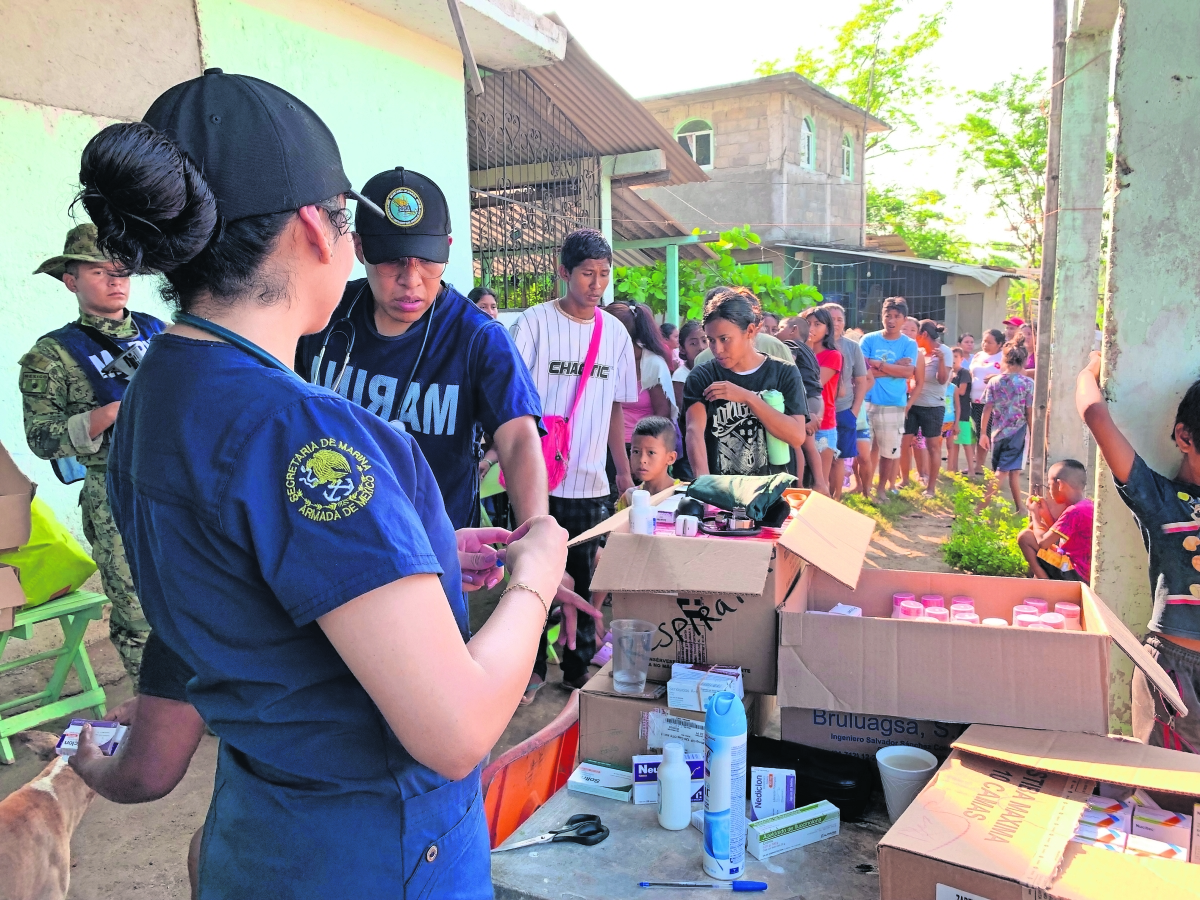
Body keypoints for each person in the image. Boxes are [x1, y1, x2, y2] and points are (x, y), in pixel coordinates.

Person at [83, 69, 584, 897]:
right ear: (320, 229)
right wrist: (536, 576)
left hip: (264, 827)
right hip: (373, 848)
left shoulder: (158, 392)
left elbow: (241, 572)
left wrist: (415, 550)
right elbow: (456, 728)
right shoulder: (299, 427)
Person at [297, 168, 544, 531]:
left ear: (447, 247)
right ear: (361, 248)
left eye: (427, 261)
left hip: (437, 556)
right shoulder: (324, 315)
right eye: (393, 260)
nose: (411, 281)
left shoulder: (478, 338)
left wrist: (536, 532)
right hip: (334, 541)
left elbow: (519, 438)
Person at [19, 223, 167, 684]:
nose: (116, 280)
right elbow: (41, 439)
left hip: (177, 484)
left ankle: (208, 698)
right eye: (101, 271)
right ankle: (153, 713)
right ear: (71, 280)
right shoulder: (53, 355)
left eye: (123, 271)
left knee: (196, 596)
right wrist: (106, 415)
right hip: (115, 492)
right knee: (137, 610)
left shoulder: (160, 331)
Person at [511, 229, 637, 697]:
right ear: (564, 272)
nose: (596, 284)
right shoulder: (533, 324)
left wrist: (621, 470)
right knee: (532, 577)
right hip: (537, 481)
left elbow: (616, 407)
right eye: (587, 273)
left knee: (588, 580)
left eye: (604, 274)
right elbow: (513, 399)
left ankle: (578, 666)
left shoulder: (616, 334)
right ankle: (530, 669)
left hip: (591, 481)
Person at [1078, 353, 1200, 752]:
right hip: (1172, 673)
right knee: (1165, 800)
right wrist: (1092, 366)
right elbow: (1096, 413)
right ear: (1185, 438)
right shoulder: (1161, 498)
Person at [684, 288, 807, 477]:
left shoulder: (784, 373)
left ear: (749, 331)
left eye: (725, 339)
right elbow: (694, 432)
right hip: (722, 493)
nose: (717, 349)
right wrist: (706, 486)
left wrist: (748, 398)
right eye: (711, 340)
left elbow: (797, 436)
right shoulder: (702, 376)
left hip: (772, 492)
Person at [859, 297, 918, 502]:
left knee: (889, 451)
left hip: (893, 403)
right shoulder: (868, 340)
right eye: (888, 316)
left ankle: (881, 489)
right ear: (881, 316)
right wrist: (894, 367)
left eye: (896, 316)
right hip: (866, 400)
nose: (891, 320)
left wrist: (879, 365)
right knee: (864, 449)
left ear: (903, 319)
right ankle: (864, 488)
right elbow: (862, 370)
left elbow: (908, 372)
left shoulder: (909, 344)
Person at [608, 300, 676, 447]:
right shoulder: (604, 360)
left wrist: (643, 450)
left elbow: (662, 413)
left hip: (638, 447)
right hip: (603, 445)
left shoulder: (653, 365)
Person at [979, 334, 1034, 513]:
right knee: (1002, 472)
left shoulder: (995, 381)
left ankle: (1020, 507)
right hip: (1017, 432)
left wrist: (983, 433)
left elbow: (986, 408)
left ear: (1004, 359)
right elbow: (1029, 412)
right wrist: (1033, 435)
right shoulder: (1027, 383)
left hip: (997, 433)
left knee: (1012, 471)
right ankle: (980, 508)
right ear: (1024, 361)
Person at [820, 302, 868, 501]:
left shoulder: (852, 347)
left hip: (843, 411)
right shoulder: (814, 344)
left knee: (838, 458)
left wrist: (854, 412)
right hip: (819, 412)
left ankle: (837, 498)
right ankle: (822, 498)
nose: (836, 323)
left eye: (840, 319)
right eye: (831, 319)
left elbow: (861, 381)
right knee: (822, 458)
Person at [1019, 459, 1093, 582]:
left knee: (1025, 537)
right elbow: (1059, 534)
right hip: (1082, 572)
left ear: (1060, 485)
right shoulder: (1086, 505)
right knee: (1034, 527)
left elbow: (1043, 542)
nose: (1049, 491)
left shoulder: (1073, 511)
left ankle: (1046, 584)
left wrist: (1035, 515)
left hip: (1072, 571)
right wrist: (1045, 514)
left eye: (1049, 486)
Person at [902, 320, 952, 498]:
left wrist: (941, 361)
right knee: (904, 442)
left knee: (933, 446)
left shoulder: (944, 351)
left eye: (915, 332)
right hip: (913, 403)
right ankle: (905, 480)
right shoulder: (920, 352)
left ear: (923, 335)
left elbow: (942, 380)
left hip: (933, 406)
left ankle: (931, 488)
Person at [777, 313, 824, 490]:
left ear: (793, 330)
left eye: (780, 328)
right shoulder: (808, 349)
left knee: (796, 440)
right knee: (808, 444)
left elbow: (788, 363)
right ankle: (819, 481)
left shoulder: (790, 345)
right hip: (815, 397)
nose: (776, 334)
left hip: (805, 397)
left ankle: (800, 484)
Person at [801, 306, 841, 495]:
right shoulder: (795, 353)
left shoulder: (833, 355)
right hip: (798, 420)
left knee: (820, 482)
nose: (812, 328)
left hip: (823, 424)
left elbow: (813, 385)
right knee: (801, 481)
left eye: (818, 324)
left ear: (828, 329)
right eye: (808, 323)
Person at [671, 320, 708, 480]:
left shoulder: (713, 370)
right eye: (693, 343)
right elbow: (684, 411)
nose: (701, 347)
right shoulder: (681, 375)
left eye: (705, 340)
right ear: (683, 349)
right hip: (689, 443)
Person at [617, 416, 679, 509]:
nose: (642, 460)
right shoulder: (629, 498)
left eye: (651, 453)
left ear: (670, 458)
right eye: (636, 452)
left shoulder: (680, 495)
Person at [968, 329, 1005, 477]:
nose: (985, 344)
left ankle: (980, 465)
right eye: (984, 341)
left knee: (985, 432)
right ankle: (972, 464)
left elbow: (1010, 374)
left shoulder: (1003, 357)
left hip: (991, 403)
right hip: (973, 400)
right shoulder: (978, 355)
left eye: (990, 342)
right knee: (974, 431)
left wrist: (996, 377)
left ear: (999, 344)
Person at [946, 346, 974, 476]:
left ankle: (972, 470)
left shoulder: (964, 373)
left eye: (956, 357)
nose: (953, 360)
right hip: (951, 413)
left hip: (962, 413)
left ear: (962, 359)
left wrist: (950, 384)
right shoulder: (950, 374)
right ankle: (953, 469)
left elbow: (962, 391)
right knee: (953, 443)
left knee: (966, 442)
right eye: (951, 357)